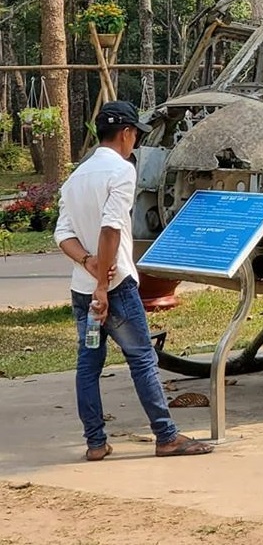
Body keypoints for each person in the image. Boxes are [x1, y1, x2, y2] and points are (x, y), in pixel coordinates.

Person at [54, 100, 213, 461]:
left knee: (88, 366)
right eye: (135, 136)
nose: (135, 143)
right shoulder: (122, 171)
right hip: (115, 288)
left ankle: (95, 443)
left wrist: (88, 263)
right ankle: (166, 436)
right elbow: (111, 227)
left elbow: (62, 233)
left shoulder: (76, 177)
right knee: (141, 359)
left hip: (82, 287)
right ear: (126, 133)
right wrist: (102, 284)